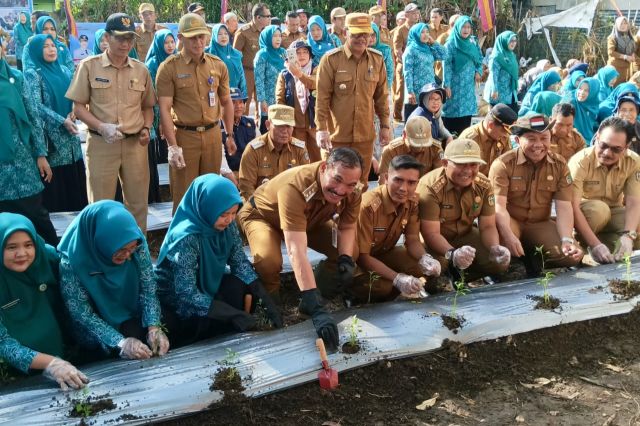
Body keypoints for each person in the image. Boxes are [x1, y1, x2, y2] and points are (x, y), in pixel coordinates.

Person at [237, 148, 363, 351]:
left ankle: (311, 300)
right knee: (269, 261)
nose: (341, 190)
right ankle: (271, 303)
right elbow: (296, 250)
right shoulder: (295, 187)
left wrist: (346, 259)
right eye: (337, 180)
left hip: (307, 221)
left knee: (348, 251)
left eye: (350, 184)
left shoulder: (354, 191)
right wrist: (319, 312)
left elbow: (347, 227)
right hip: (262, 216)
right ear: (324, 168)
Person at [155, 175, 282, 344]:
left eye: (233, 213)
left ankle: (226, 329)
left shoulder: (227, 227)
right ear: (207, 208)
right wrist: (232, 314)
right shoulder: (186, 238)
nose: (229, 220)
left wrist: (266, 299)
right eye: (223, 214)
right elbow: (187, 295)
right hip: (177, 301)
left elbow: (240, 263)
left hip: (207, 287)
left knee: (238, 286)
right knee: (199, 321)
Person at [66, 13, 156, 232]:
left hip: (135, 145)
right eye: (120, 38)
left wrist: (145, 128)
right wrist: (101, 127)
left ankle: (136, 253)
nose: (126, 44)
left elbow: (147, 107)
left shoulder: (141, 69)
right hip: (101, 144)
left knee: (137, 204)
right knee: (100, 204)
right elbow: (78, 108)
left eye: (130, 38)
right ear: (106, 37)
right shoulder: (89, 66)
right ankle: (101, 254)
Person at [58, 201, 169, 359]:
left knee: (169, 323)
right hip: (100, 323)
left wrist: (153, 327)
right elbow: (82, 314)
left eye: (131, 250)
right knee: (132, 337)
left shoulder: (133, 239)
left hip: (132, 309)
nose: (128, 256)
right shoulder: (71, 262)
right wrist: (121, 342)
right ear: (102, 241)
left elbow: (148, 285)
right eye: (121, 250)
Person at [0, 213, 88, 390]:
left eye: (28, 245)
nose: (21, 254)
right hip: (18, 370)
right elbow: (3, 343)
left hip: (68, 349)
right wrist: (51, 363)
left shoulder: (47, 257)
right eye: (11, 247)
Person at [156, 13, 234, 212]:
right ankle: (183, 241)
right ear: (180, 38)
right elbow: (164, 108)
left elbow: (226, 101)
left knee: (210, 193)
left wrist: (230, 134)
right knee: (184, 195)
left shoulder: (217, 65)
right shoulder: (168, 68)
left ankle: (208, 239)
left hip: (212, 135)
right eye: (192, 37)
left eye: (202, 36)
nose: (199, 42)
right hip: (185, 137)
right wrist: (173, 146)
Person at [489, 113, 583, 273]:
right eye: (531, 139)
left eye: (544, 138)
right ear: (518, 140)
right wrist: (509, 236)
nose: (538, 145)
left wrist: (567, 239)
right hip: (511, 222)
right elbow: (498, 207)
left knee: (571, 256)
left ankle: (532, 256)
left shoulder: (559, 165)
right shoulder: (503, 165)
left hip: (540, 223)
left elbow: (564, 206)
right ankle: (517, 258)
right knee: (502, 249)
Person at [419, 138, 510, 281]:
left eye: (474, 165)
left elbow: (487, 226)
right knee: (435, 270)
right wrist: (452, 253)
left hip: (465, 234)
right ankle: (448, 271)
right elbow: (431, 233)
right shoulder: (430, 188)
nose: (467, 171)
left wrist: (494, 247)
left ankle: (462, 276)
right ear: (445, 163)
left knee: (497, 264)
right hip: (432, 239)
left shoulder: (484, 185)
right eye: (461, 164)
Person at [315, 13, 390, 185]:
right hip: (336, 137)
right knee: (332, 181)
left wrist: (385, 125)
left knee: (359, 184)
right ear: (345, 33)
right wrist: (321, 129)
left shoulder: (377, 60)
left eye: (366, 34)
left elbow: (381, 97)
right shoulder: (331, 60)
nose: (362, 39)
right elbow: (322, 98)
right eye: (356, 34)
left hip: (364, 136)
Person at [353, 155, 440, 302]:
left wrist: (424, 258)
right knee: (383, 286)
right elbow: (362, 256)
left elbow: (412, 239)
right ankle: (352, 296)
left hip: (384, 253)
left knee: (435, 265)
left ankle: (404, 288)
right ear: (386, 178)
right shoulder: (368, 206)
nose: (403, 189)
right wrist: (397, 278)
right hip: (357, 261)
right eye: (398, 180)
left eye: (411, 183)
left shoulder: (412, 202)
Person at [23, 34, 87, 213]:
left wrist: (75, 110)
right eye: (45, 46)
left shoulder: (64, 70)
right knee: (59, 196)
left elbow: (75, 95)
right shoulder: (33, 74)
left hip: (72, 141)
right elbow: (34, 105)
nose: (51, 49)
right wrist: (61, 120)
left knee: (77, 190)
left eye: (53, 45)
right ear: (36, 50)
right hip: (53, 143)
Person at [0, 45, 57, 245]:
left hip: (22, 165)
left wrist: (41, 154)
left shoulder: (17, 79)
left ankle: (51, 264)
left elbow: (32, 117)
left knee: (37, 218)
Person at [568, 117, 639, 264]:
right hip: (585, 214)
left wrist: (628, 235)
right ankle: (584, 246)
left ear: (626, 147)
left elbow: (633, 202)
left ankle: (609, 246)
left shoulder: (634, 161)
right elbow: (572, 207)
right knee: (599, 210)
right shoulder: (580, 161)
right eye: (603, 145)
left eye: (616, 149)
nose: (607, 153)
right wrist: (595, 244)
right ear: (597, 137)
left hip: (614, 212)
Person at [238, 105, 309, 201]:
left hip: (290, 204)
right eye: (279, 126)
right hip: (260, 205)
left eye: (288, 126)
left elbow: (306, 184)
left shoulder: (299, 149)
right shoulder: (253, 150)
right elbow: (247, 188)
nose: (284, 131)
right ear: (267, 125)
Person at [145, 28, 176, 202]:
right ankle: (163, 190)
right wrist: (161, 119)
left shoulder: (177, 60)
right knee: (161, 152)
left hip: (175, 113)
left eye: (172, 42)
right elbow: (151, 95)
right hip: (157, 114)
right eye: (166, 42)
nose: (170, 46)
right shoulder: (152, 64)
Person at [276, 39, 320, 162]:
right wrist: (285, 124)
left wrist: (298, 74)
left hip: (315, 124)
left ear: (310, 54)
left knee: (318, 158)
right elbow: (280, 100)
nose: (301, 55)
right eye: (297, 52)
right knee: (297, 158)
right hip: (295, 125)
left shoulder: (317, 70)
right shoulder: (285, 75)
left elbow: (313, 83)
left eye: (305, 52)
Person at [442, 15, 483, 135]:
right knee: (451, 116)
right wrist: (447, 85)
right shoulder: (450, 44)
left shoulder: (472, 42)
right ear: (457, 27)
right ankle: (449, 145)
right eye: (463, 27)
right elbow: (447, 66)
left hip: (468, 87)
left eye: (468, 27)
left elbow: (479, 58)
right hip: (454, 86)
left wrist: (478, 71)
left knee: (466, 119)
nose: (466, 30)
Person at [378, 116, 442, 184]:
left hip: (426, 190)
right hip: (398, 191)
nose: (420, 146)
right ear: (404, 135)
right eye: (415, 143)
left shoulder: (435, 149)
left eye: (424, 142)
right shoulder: (391, 150)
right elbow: (383, 183)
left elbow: (439, 179)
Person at [402, 22, 446, 120]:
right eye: (422, 32)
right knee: (413, 123)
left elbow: (444, 55)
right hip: (416, 93)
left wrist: (434, 42)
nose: (426, 34)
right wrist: (410, 91)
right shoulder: (410, 50)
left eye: (427, 32)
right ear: (416, 34)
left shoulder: (428, 48)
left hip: (429, 91)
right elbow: (407, 72)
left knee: (428, 123)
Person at [234, 3, 271, 118]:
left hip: (263, 73)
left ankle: (261, 128)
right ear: (258, 17)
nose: (270, 18)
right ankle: (242, 128)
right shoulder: (243, 32)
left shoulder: (267, 33)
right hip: (247, 73)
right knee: (245, 102)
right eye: (268, 16)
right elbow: (235, 56)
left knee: (264, 104)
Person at [459, 103, 517, 176]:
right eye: (503, 131)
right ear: (490, 125)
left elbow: (507, 164)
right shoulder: (469, 139)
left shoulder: (504, 136)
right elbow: (462, 172)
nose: (506, 135)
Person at [254, 24, 285, 134]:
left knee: (282, 131)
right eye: (274, 36)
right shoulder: (262, 55)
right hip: (268, 101)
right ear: (267, 37)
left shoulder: (283, 53)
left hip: (283, 99)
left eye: (279, 36)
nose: (278, 39)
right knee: (268, 132)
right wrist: (262, 101)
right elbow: (259, 80)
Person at [393, 3, 420, 122]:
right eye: (413, 13)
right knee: (400, 94)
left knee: (417, 94)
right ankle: (397, 118)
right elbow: (397, 50)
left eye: (417, 13)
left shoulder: (420, 28)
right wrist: (408, 61)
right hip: (404, 65)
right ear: (406, 15)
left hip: (419, 67)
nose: (416, 15)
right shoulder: (400, 30)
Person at [222, 88, 256, 175]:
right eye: (233, 103)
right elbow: (221, 160)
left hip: (250, 170)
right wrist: (229, 175)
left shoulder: (251, 123)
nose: (238, 106)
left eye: (241, 102)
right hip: (229, 173)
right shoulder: (219, 127)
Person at [408, 83, 453, 147]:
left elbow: (441, 128)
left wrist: (449, 137)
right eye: (432, 98)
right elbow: (419, 143)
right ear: (425, 99)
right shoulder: (419, 117)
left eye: (438, 99)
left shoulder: (434, 113)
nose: (435, 102)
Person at [484, 31, 519, 113]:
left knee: (512, 119)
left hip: (510, 92)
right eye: (510, 41)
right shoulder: (496, 57)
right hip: (498, 94)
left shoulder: (512, 55)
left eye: (515, 41)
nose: (513, 43)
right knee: (498, 120)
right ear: (504, 41)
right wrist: (494, 89)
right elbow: (493, 74)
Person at [208, 23, 246, 98]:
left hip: (234, 94)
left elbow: (241, 76)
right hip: (214, 95)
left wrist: (243, 95)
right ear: (214, 35)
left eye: (226, 33)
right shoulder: (207, 54)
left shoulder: (235, 54)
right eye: (219, 34)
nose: (223, 36)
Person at [569, 77, 601, 143]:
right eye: (580, 89)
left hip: (590, 137)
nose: (582, 92)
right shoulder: (571, 102)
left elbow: (591, 122)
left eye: (586, 90)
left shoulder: (593, 104)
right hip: (573, 140)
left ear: (593, 93)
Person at [607, 16, 636, 84]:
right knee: (613, 87)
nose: (623, 25)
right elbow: (611, 52)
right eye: (621, 23)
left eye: (625, 23)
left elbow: (633, 49)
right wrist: (625, 57)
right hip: (614, 68)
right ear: (617, 25)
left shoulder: (630, 38)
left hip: (626, 69)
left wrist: (633, 55)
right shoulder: (612, 37)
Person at [371, 23, 393, 89]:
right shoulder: (360, 50)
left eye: (373, 35)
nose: (370, 38)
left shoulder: (384, 49)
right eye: (368, 35)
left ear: (377, 35)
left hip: (382, 86)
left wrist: (386, 88)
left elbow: (389, 70)